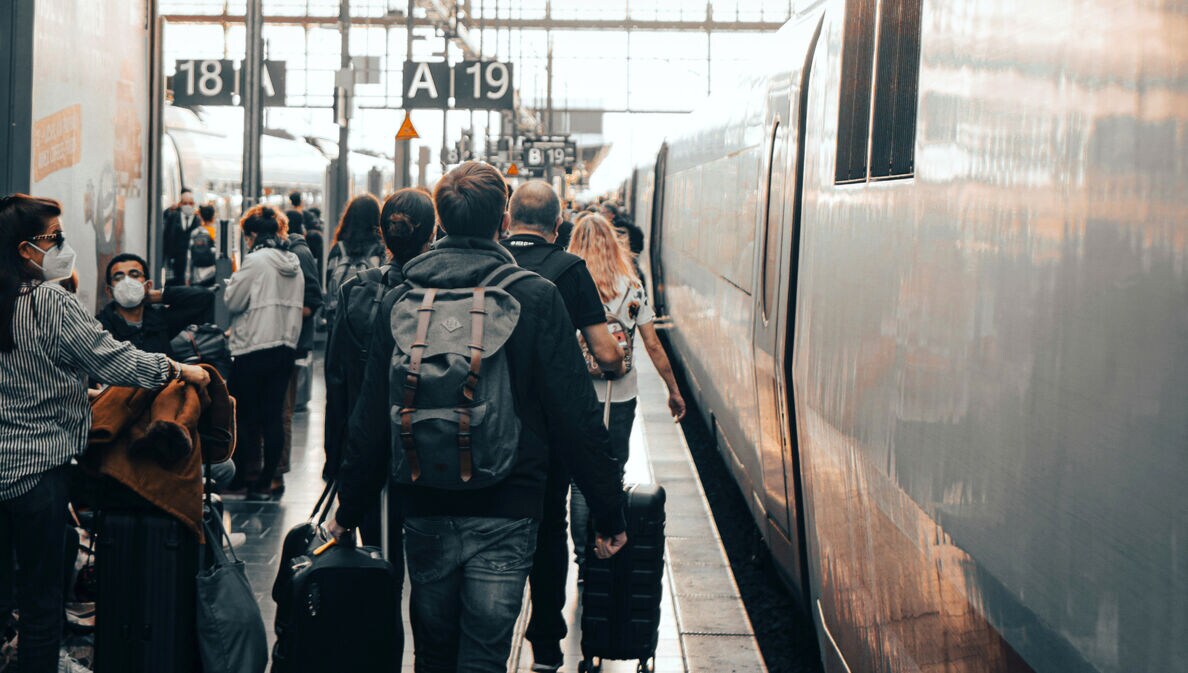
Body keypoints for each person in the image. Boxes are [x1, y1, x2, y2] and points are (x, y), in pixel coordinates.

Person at [330, 162, 628, 673]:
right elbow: (575, 415)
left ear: (441, 221)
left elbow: (371, 420)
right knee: (484, 656)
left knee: (433, 652)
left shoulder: (401, 299)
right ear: (503, 218)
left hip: (423, 500)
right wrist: (607, 509)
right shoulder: (534, 296)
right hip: (509, 504)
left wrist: (348, 508)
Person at [0, 194, 209, 673]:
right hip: (36, 473)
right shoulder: (48, 301)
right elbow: (115, 359)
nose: (63, 247)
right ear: (25, 248)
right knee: (41, 600)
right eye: (55, 238)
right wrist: (178, 369)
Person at [501, 180, 626, 671]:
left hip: (480, 428)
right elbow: (603, 352)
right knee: (547, 534)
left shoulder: (490, 260)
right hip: (543, 438)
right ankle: (547, 646)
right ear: (558, 225)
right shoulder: (568, 270)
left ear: (508, 221)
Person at [566, 212, 686, 566]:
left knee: (579, 481)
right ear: (612, 243)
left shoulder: (570, 282)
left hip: (579, 395)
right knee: (612, 472)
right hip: (620, 395)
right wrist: (673, 390)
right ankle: (606, 541)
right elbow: (653, 345)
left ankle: (582, 558)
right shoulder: (631, 287)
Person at [224, 206, 304, 501]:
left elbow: (233, 301)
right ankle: (266, 481)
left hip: (254, 346)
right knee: (272, 416)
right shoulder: (292, 261)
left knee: (243, 415)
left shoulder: (256, 261)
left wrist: (231, 285)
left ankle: (242, 478)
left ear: (252, 234)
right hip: (284, 347)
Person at [97, 253, 214, 354]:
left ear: (148, 285)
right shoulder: (100, 328)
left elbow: (203, 297)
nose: (127, 282)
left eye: (134, 275)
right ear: (109, 291)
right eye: (119, 277)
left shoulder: (159, 320)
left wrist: (159, 295)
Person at [324, 194, 385, 328]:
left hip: (339, 322)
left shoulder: (338, 249)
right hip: (369, 323)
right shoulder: (381, 250)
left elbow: (329, 282)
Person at [162, 188, 199, 286]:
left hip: (191, 263)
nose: (188, 206)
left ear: (194, 204)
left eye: (190, 203)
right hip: (175, 261)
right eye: (185, 203)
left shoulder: (198, 220)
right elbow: (166, 238)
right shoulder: (173, 217)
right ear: (180, 204)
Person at [188, 204, 219, 286]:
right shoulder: (216, 232)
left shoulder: (195, 232)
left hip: (197, 274)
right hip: (212, 273)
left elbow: (189, 256)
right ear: (213, 217)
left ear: (201, 217)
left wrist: (187, 276)